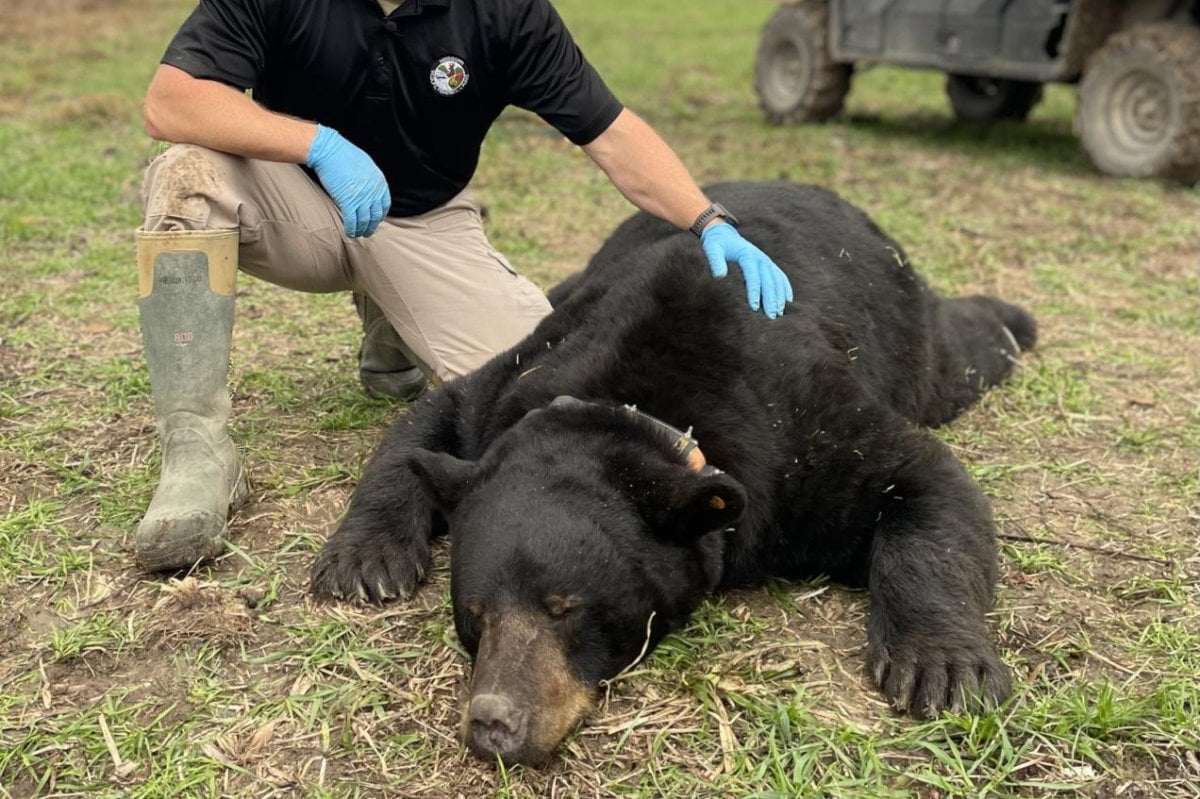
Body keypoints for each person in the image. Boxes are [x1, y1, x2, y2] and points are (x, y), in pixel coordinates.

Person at [134, 0, 794, 572]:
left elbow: (611, 132)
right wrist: (318, 144)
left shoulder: (505, 11)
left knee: (544, 386)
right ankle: (197, 452)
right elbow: (171, 100)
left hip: (425, 221)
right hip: (295, 199)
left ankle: (393, 318)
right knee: (184, 174)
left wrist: (707, 218)